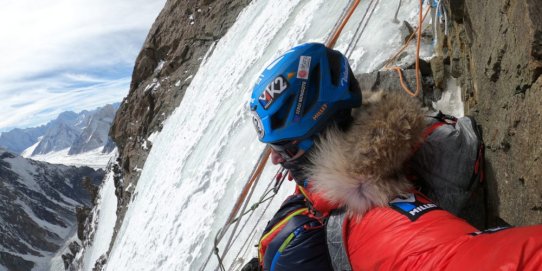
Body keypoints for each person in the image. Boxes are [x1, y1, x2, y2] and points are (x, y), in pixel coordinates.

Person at [248, 42, 542, 271]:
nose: (276, 160)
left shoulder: (373, 222)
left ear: (324, 136)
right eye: (274, 149)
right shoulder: (387, 142)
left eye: (286, 149)